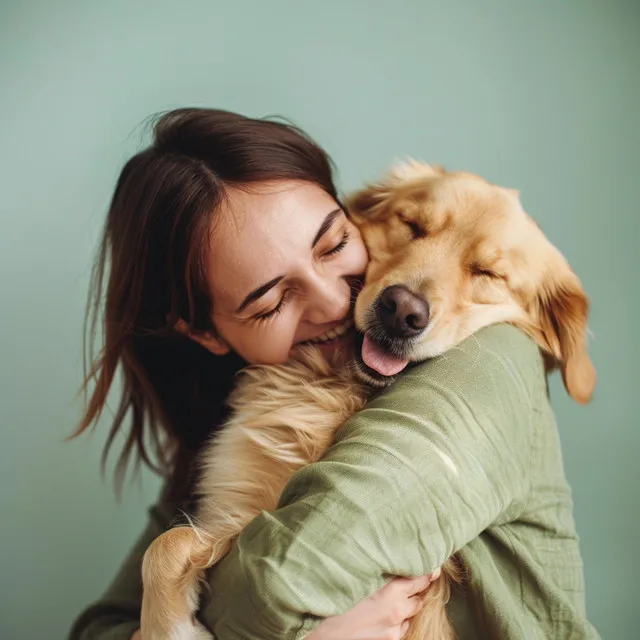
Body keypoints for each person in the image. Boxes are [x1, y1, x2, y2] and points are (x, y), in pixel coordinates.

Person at [69, 108, 598, 639]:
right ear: (207, 334)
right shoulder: (241, 407)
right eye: (272, 298)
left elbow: (287, 579)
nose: (332, 301)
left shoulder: (492, 362)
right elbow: (101, 628)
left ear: (349, 213)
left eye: (332, 245)